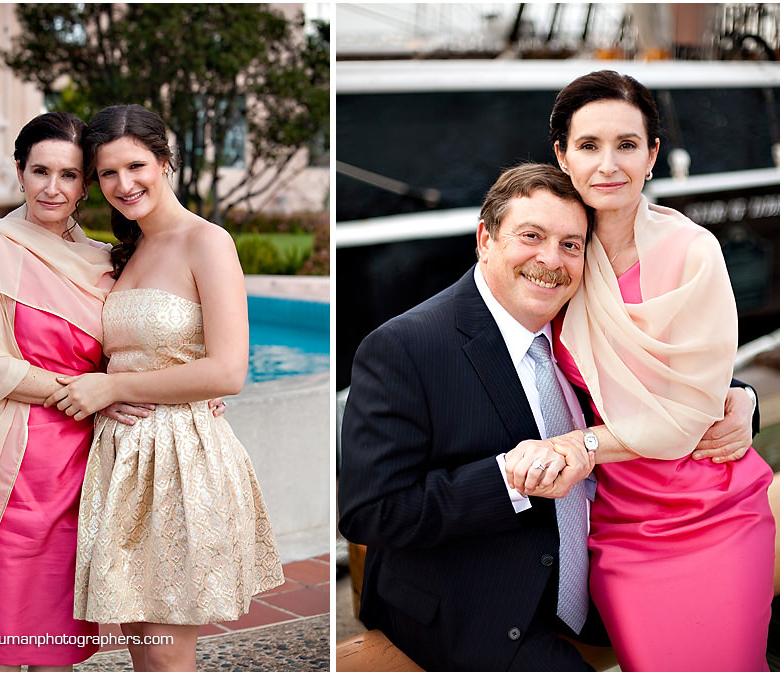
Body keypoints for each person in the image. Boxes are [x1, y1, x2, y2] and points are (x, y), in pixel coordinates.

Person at [337, 162, 759, 672]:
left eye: (571, 244)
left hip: (602, 574)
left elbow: (667, 382)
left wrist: (743, 397)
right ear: (485, 240)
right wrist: (509, 481)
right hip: (474, 602)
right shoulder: (404, 347)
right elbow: (370, 511)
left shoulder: (578, 315)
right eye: (531, 236)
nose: (550, 260)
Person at [508, 70, 775, 671]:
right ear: (562, 155)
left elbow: (687, 407)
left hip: (714, 506)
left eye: (627, 144)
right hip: (619, 525)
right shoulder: (559, 260)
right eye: (588, 145)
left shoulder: (692, 251)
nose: (608, 164)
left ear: (653, 155)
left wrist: (739, 398)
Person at [43, 104, 284, 672]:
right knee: (144, 652)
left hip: (180, 461)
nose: (124, 184)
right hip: (124, 461)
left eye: (136, 166)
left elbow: (229, 372)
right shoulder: (124, 253)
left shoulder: (208, 242)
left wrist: (110, 387)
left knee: (167, 656)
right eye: (107, 173)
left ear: (165, 162)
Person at [0, 111, 143, 670]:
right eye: (40, 171)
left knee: (60, 627)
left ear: (87, 182)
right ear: (19, 172)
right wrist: (92, 390)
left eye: (70, 175)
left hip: (90, 453)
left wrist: (183, 389)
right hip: (15, 451)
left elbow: (136, 346)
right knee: (6, 621)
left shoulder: (104, 259)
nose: (53, 188)